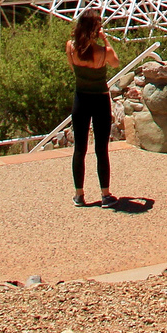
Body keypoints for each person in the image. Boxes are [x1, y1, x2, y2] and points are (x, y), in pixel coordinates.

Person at [67, 12, 121, 207]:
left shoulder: (71, 47)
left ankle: (79, 194)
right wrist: (106, 39)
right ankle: (105, 194)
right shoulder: (102, 52)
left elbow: (73, 69)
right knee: (101, 148)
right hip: (100, 99)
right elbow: (115, 62)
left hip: (81, 98)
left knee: (79, 149)